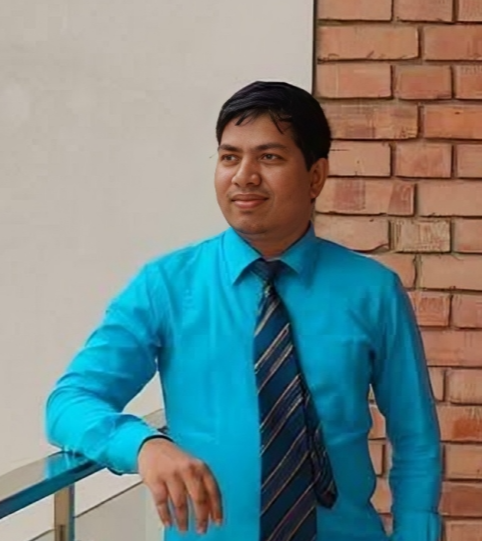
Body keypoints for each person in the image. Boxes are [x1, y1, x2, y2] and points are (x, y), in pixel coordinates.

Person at [45, 81, 442, 541]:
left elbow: (415, 438)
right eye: (230, 157)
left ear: (315, 176)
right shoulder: (166, 286)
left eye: (269, 157)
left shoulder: (373, 291)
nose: (244, 176)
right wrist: (143, 445)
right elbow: (68, 403)